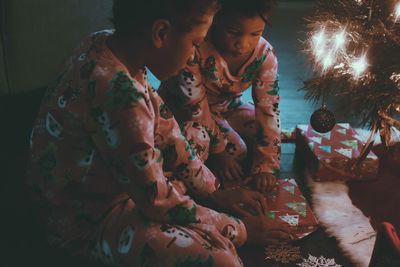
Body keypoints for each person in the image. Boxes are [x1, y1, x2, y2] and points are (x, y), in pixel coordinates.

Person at [27, 0, 289, 266]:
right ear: (161, 33)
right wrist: (238, 229)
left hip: (118, 186)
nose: (193, 56)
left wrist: (214, 192)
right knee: (222, 260)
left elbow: (167, 128)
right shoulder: (119, 95)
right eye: (196, 43)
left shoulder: (105, 43)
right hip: (86, 221)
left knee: (191, 159)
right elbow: (155, 199)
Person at [158, 0, 281, 195]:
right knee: (236, 150)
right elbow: (196, 107)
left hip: (228, 106)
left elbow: (269, 108)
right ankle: (196, 184)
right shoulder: (195, 47)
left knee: (263, 130)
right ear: (214, 20)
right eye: (233, 31)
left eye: (255, 34)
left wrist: (266, 166)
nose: (243, 44)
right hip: (185, 111)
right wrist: (219, 153)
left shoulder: (265, 56)